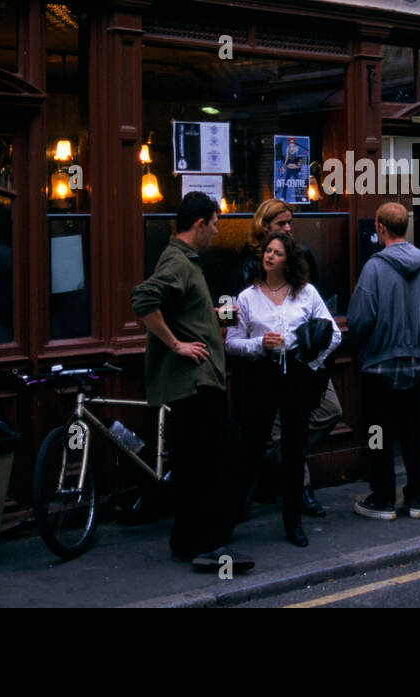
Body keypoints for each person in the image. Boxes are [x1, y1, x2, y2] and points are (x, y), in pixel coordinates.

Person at [131, 192, 251, 572]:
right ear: (199, 224)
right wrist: (176, 344)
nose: (217, 231)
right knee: (210, 465)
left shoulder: (184, 262)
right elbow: (142, 299)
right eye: (214, 224)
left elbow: (180, 307)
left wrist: (213, 313)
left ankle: (187, 542)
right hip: (196, 384)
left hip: (197, 383)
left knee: (196, 464)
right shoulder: (178, 262)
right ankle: (207, 547)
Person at [226, 233, 340, 547]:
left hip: (296, 374)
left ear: (288, 260)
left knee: (294, 451)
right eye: (267, 251)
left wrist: (310, 361)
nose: (269, 256)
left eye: (276, 252)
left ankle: (293, 524)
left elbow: (333, 335)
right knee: (251, 447)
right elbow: (231, 343)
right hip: (262, 374)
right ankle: (228, 520)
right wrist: (259, 344)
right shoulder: (247, 297)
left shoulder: (306, 293)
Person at [348, 202, 420, 520]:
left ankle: (383, 499)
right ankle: (416, 499)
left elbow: (358, 319)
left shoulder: (374, 267)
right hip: (415, 362)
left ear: (380, 227)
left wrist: (364, 347)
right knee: (411, 433)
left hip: (378, 365)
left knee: (379, 432)